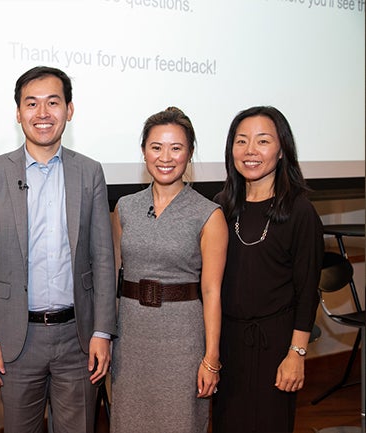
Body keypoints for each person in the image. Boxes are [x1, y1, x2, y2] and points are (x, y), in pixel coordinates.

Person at [0, 65, 117, 433]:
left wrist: (103, 331)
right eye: (31, 104)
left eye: (53, 102)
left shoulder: (90, 172)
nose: (43, 113)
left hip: (78, 338)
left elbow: (102, 258)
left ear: (69, 109)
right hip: (17, 339)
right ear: (18, 113)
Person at [109, 107, 228, 433]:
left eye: (176, 148)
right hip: (131, 340)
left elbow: (212, 291)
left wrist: (211, 358)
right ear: (144, 151)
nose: (166, 157)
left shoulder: (209, 214)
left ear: (189, 153)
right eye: (156, 147)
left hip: (182, 341)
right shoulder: (125, 207)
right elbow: (114, 277)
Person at [212, 106, 324, 433]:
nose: (250, 151)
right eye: (241, 141)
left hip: (276, 345)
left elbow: (307, 293)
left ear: (281, 151)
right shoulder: (221, 206)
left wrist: (296, 353)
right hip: (228, 344)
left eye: (262, 141)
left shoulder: (300, 211)